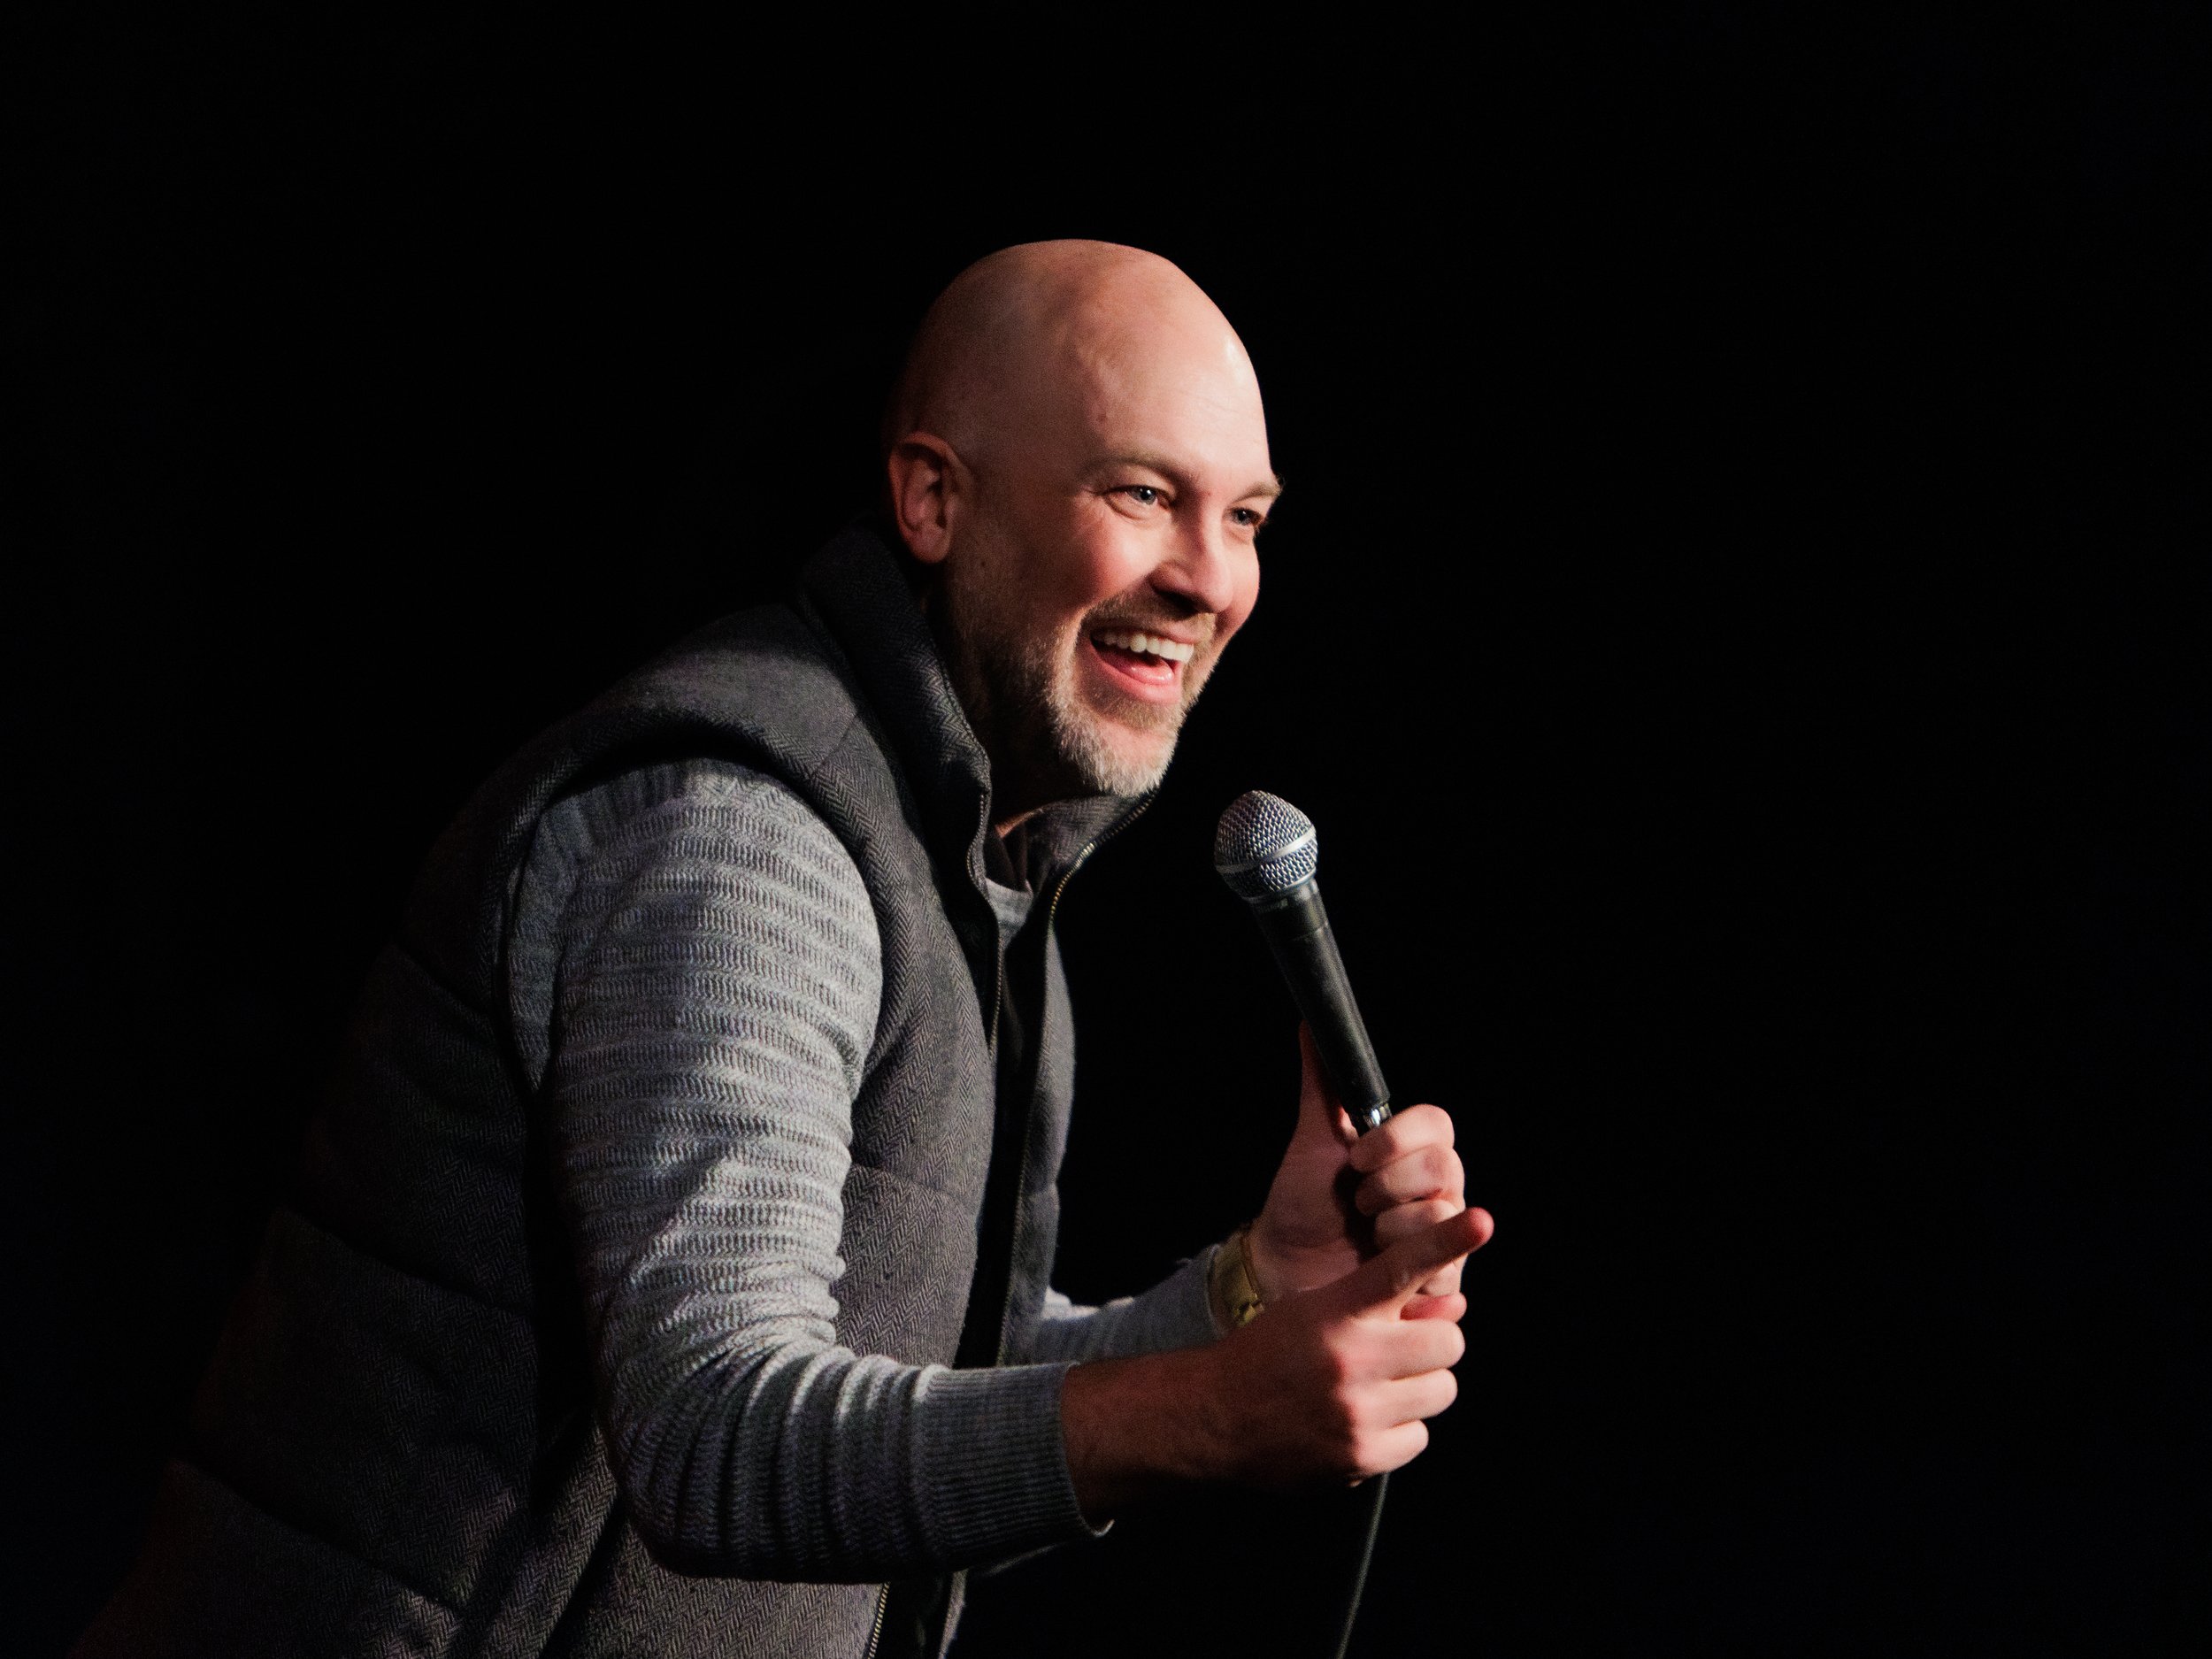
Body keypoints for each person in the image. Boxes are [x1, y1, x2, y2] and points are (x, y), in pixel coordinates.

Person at [77, 240, 1493, 1659]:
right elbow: (716, 1428)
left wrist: (1252, 1290)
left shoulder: (985, 863)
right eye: (1142, 494)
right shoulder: (749, 831)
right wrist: (1214, 1414)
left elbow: (927, 1408)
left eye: (1245, 517)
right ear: (933, 498)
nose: (1210, 581)